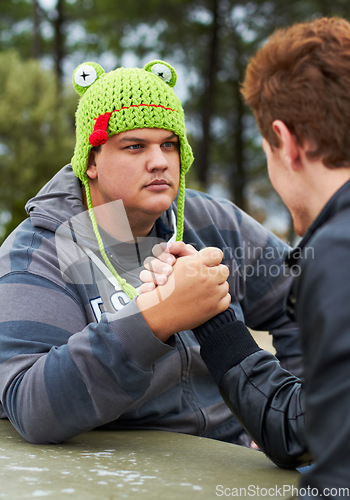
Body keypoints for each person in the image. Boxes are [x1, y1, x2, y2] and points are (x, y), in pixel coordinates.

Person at [0, 59, 301, 447]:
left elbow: (310, 301)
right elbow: (32, 406)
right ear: (91, 161)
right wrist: (154, 319)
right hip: (117, 473)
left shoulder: (213, 222)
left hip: (237, 460)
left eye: (169, 144)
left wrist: (290, 415)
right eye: (135, 146)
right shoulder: (39, 252)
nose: (159, 160)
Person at [141, 17, 350, 497]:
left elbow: (333, 471)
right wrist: (215, 319)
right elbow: (309, 428)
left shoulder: (337, 257)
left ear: (288, 142)